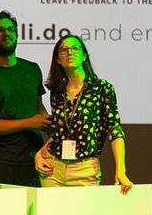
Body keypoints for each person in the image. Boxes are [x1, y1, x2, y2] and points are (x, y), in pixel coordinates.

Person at [34, 35, 133, 193]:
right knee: (52, 210)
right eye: (64, 49)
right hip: (53, 168)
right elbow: (60, 132)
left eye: (75, 48)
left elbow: (114, 130)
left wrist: (121, 170)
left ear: (84, 56)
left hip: (84, 170)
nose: (69, 52)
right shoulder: (57, 92)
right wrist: (39, 154)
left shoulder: (102, 88)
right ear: (58, 60)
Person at [0, 11, 49, 187]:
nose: (7, 33)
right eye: (0, 30)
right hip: (0, 162)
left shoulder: (32, 69)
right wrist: (29, 122)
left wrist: (54, 130)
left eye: (11, 29)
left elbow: (39, 107)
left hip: (34, 159)